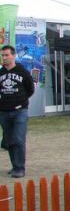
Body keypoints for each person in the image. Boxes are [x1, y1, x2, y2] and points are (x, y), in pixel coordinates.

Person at [0, 45, 35, 178]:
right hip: (3, 112)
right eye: (2, 55)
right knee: (9, 140)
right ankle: (14, 166)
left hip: (20, 111)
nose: (4, 58)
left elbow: (30, 89)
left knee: (18, 139)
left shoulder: (22, 72)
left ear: (13, 55)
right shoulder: (1, 73)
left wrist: (21, 101)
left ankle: (20, 168)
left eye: (6, 55)